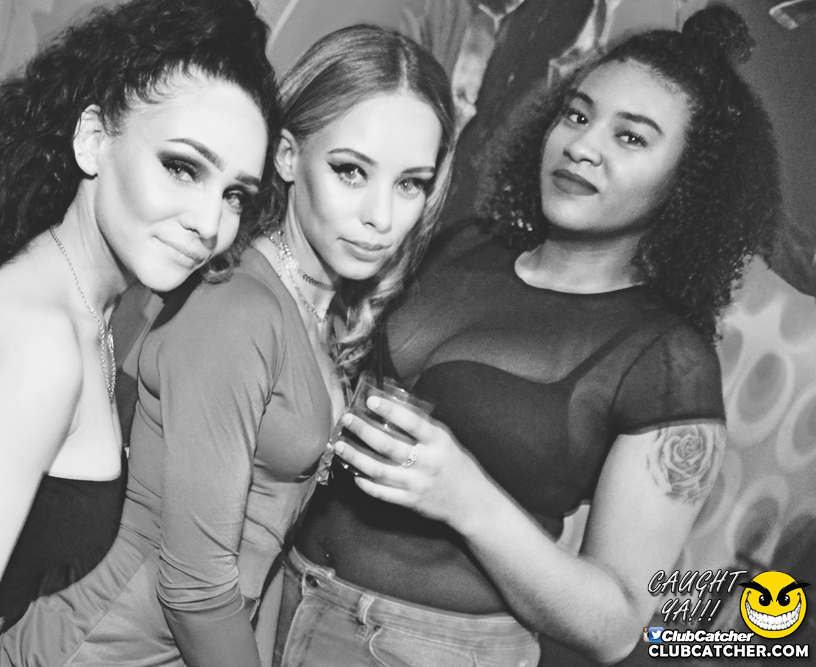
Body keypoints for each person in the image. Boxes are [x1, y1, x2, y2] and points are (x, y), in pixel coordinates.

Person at [278, 5, 782, 666]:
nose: (582, 145)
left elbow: (615, 625)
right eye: (576, 115)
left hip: (426, 647)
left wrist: (467, 498)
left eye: (630, 137)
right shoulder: (463, 244)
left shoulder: (667, 360)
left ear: (688, 181)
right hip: (278, 592)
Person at [0, 1, 277, 666]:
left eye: (235, 194)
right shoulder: (38, 345)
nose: (210, 222)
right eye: (183, 167)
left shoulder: (78, 306)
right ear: (93, 140)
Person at [0, 24, 456, 667]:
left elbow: (262, 561)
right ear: (287, 156)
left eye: (411, 183)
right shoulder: (239, 310)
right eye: (351, 171)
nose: (381, 216)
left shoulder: (312, 313)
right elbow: (195, 590)